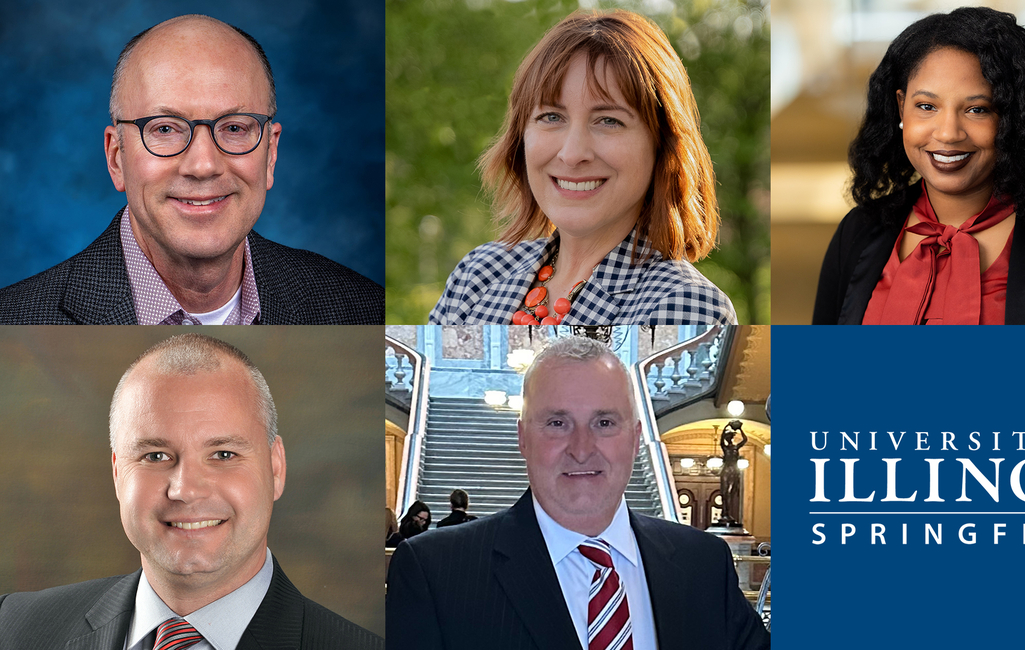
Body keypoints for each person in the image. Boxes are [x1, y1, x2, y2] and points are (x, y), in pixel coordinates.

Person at [0, 333, 383, 648]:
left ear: (276, 467)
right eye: (155, 456)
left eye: (223, 453)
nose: (184, 490)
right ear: (118, 474)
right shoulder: (14, 628)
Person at [386, 336, 768, 649]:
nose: (582, 448)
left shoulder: (703, 563)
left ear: (636, 439)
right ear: (522, 438)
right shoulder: (435, 571)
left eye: (604, 422)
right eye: (557, 422)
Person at [0, 15, 383, 325]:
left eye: (234, 128)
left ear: (270, 154)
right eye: (165, 129)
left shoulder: (362, 310)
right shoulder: (15, 323)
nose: (203, 165)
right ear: (116, 157)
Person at [813, 7, 1025, 325]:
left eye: (977, 109)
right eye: (926, 106)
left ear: (1014, 119)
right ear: (901, 108)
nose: (948, 133)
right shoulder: (858, 232)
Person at [429, 10, 736, 325]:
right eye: (551, 117)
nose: (572, 154)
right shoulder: (477, 276)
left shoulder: (687, 307)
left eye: (608, 120)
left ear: (662, 144)